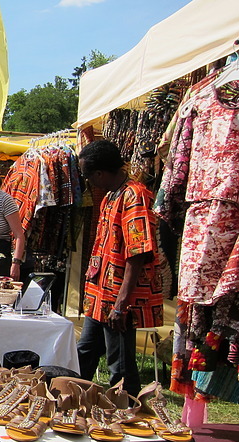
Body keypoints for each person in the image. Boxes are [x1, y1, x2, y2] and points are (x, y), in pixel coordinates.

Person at [76, 140, 163, 399]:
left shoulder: (134, 196)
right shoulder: (111, 197)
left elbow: (138, 253)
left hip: (118, 299)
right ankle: (71, 401)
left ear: (100, 173)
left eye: (87, 175)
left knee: (120, 366)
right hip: (100, 296)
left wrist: (121, 304)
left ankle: (128, 418)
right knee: (85, 352)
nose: (87, 181)